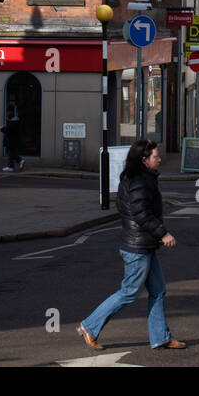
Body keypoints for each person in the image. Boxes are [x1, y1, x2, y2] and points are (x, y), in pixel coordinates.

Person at [78, 139, 185, 350]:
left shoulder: (138, 177)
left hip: (144, 244)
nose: (160, 159)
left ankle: (161, 337)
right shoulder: (139, 181)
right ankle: (89, 326)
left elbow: (124, 208)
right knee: (128, 292)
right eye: (156, 156)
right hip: (138, 248)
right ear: (144, 160)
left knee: (158, 290)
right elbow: (142, 213)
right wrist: (163, 233)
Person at [1, 106, 25, 171]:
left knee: (11, 154)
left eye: (7, 116)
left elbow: (8, 131)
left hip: (11, 141)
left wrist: (2, 129)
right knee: (11, 153)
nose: (6, 117)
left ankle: (19, 161)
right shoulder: (16, 122)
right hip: (14, 141)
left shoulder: (12, 123)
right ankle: (11, 166)